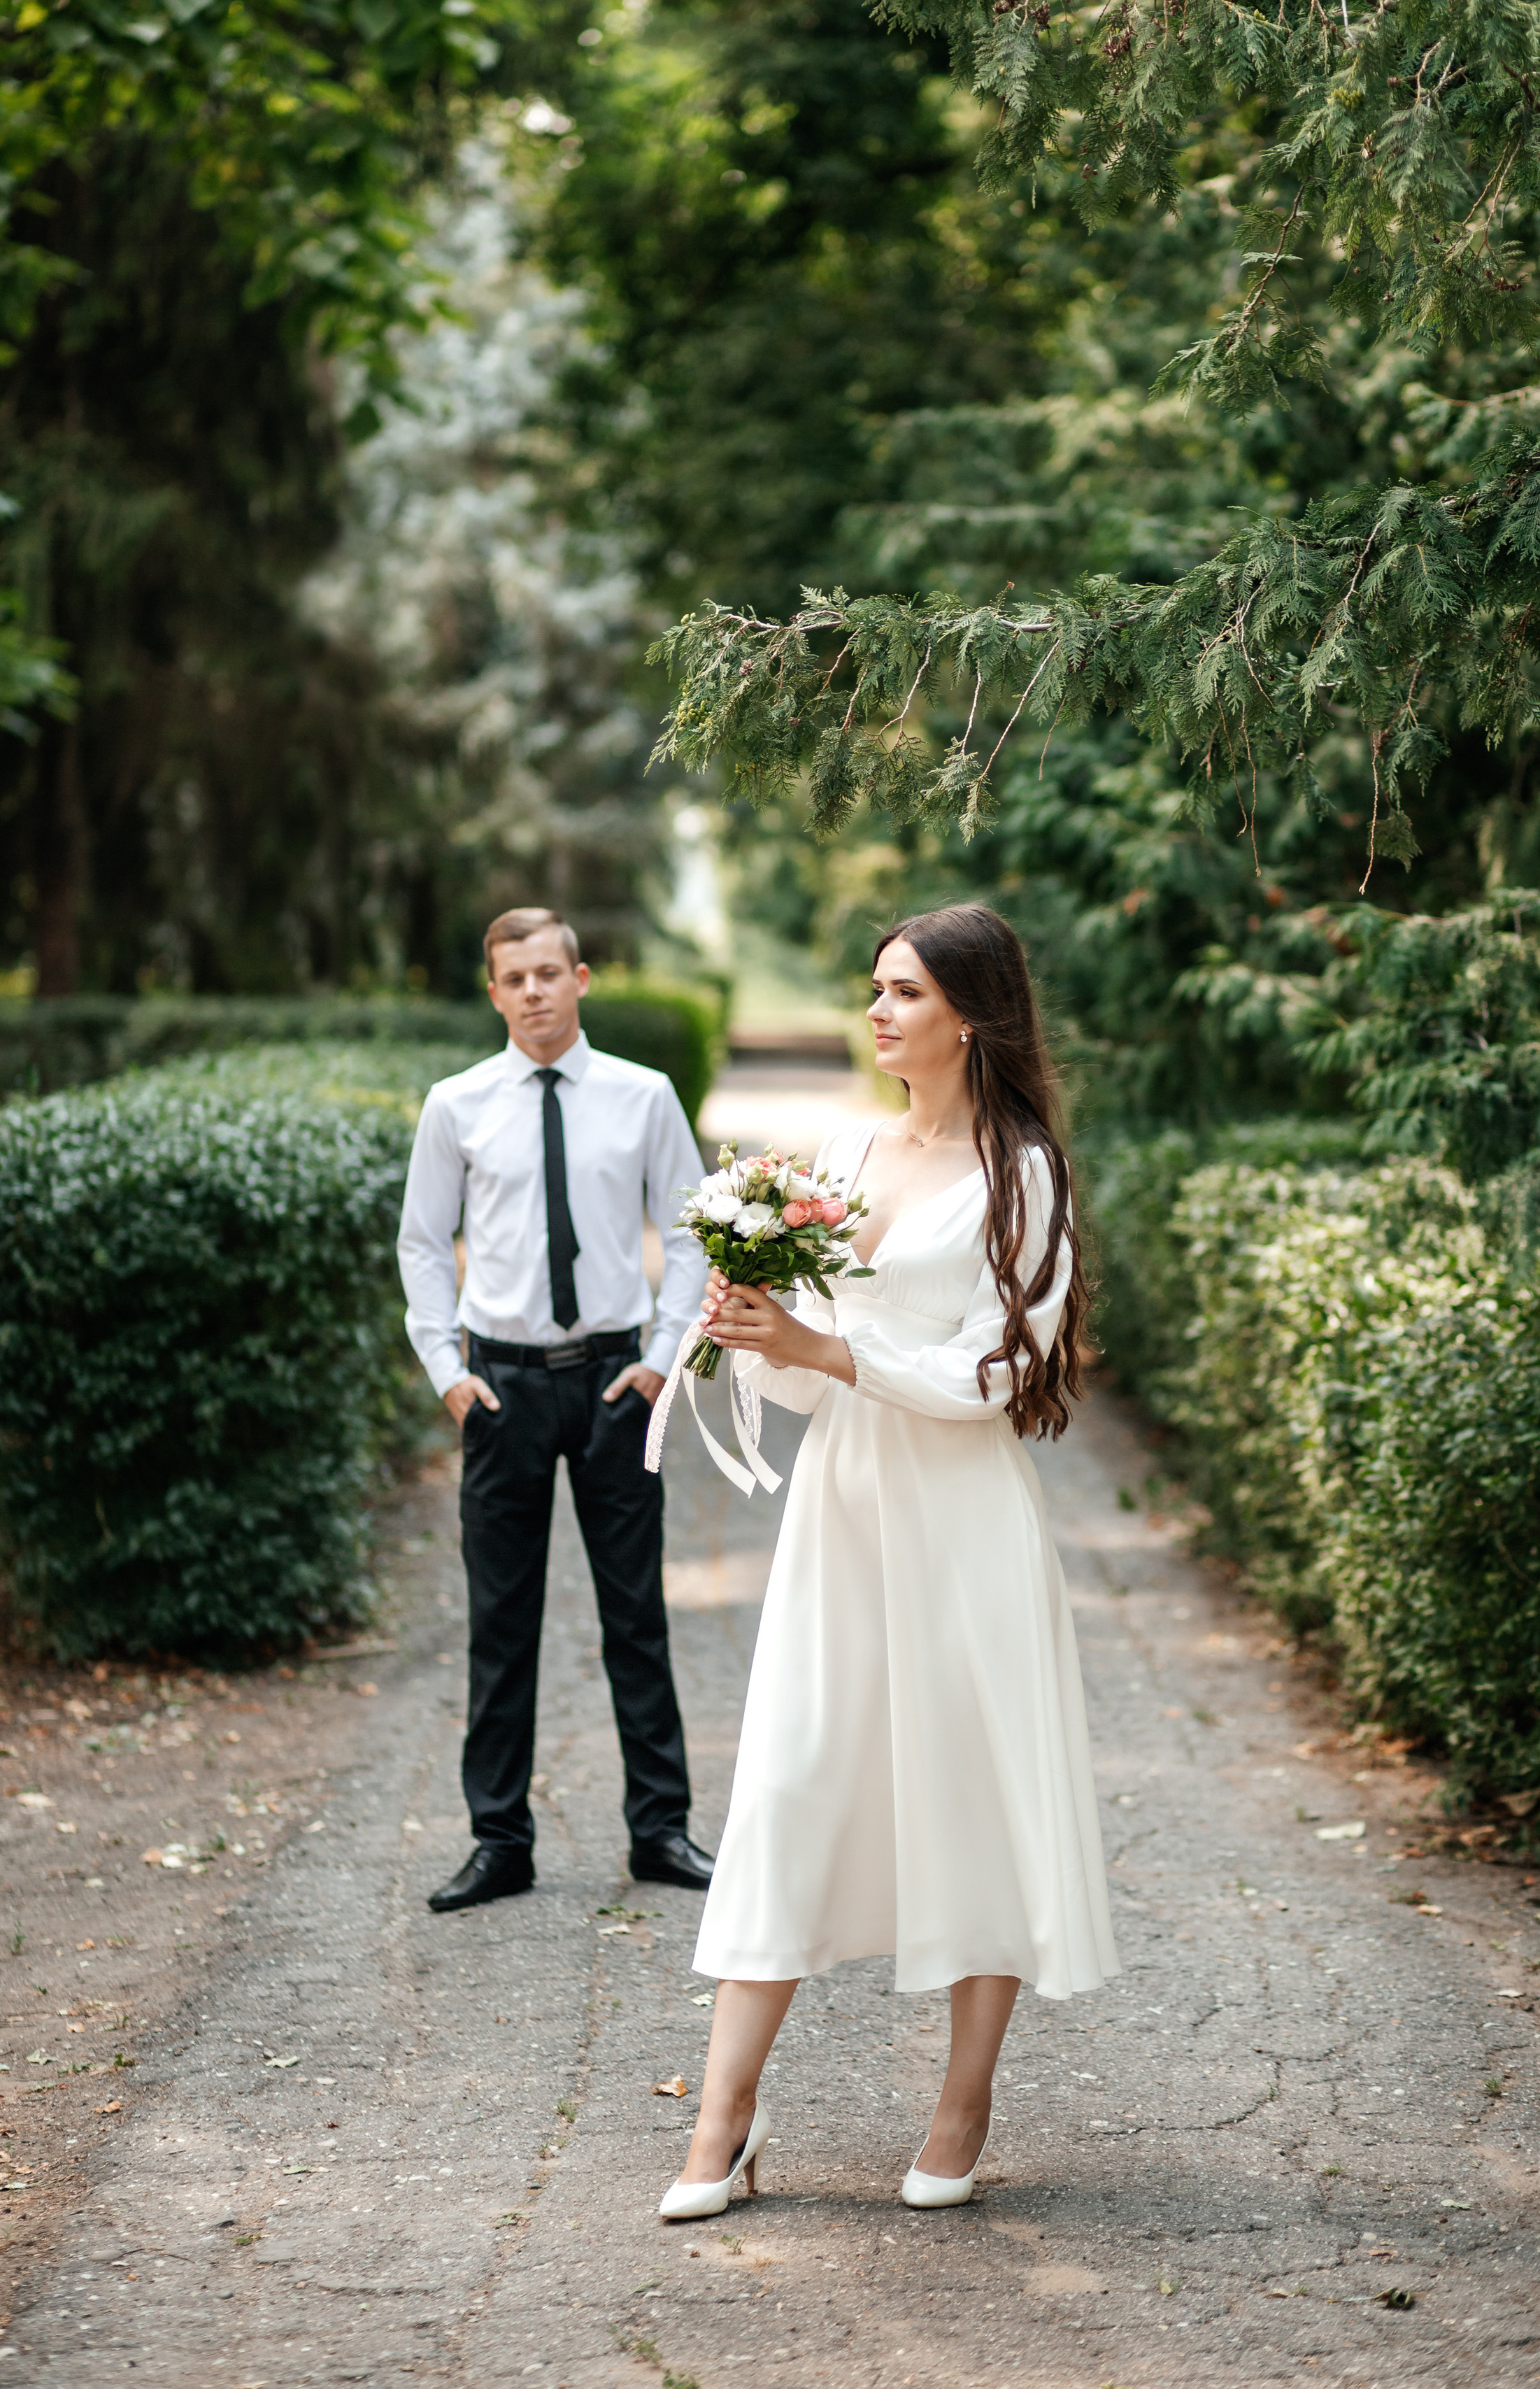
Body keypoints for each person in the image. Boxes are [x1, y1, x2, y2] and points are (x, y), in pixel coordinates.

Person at [657, 901, 1118, 2222]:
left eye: (903, 992)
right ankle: (725, 2120)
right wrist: (761, 1327)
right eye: (873, 989)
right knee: (794, 1787)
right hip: (845, 1511)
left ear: (969, 1013)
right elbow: (814, 1381)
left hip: (964, 1523)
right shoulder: (850, 1151)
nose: (877, 1012)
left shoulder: (1025, 1172)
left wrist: (828, 1350)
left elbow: (1000, 1371)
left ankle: (963, 2103)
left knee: (973, 1799)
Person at [397, 906, 715, 1913]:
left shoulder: (643, 1096)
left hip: (618, 1383)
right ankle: (501, 1843)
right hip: (503, 1390)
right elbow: (420, 1243)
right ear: (493, 993)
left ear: (582, 977)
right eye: (514, 978)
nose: (534, 991)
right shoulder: (457, 1104)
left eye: (550, 972)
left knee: (636, 1616)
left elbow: (695, 1228)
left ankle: (660, 1830)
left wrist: (666, 1358)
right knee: (501, 1622)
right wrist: (447, 1369)